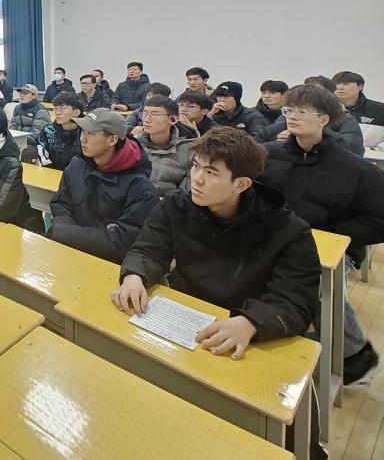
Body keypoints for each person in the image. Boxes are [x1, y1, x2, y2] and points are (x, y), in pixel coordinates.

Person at [113, 127, 319, 360]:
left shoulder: (288, 230)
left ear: (241, 184)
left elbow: (296, 300)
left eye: (211, 172)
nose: (197, 178)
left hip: (243, 327)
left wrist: (251, 322)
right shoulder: (176, 205)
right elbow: (148, 249)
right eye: (196, 166)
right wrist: (134, 276)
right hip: (185, 314)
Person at [260, 84, 384, 385]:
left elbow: (378, 220)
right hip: (274, 240)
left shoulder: (355, 168)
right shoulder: (269, 155)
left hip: (334, 248)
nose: (292, 116)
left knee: (312, 283)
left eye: (302, 111)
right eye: (289, 110)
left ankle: (353, 358)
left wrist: (328, 234)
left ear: (324, 119)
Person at [48, 108, 160, 263]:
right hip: (69, 250)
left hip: (108, 263)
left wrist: (64, 232)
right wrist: (64, 231)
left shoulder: (140, 187)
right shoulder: (76, 165)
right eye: (83, 131)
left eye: (91, 133)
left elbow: (123, 240)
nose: (83, 139)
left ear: (112, 140)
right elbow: (61, 204)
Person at [260, 76, 365, 156]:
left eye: (315, 91)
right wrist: (287, 142)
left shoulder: (345, 119)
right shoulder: (288, 116)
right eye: (305, 89)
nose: (292, 116)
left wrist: (313, 139)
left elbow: (354, 149)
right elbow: (260, 142)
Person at [135, 96, 195, 196]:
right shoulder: (134, 145)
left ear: (173, 119)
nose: (147, 119)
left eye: (155, 114)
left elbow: (187, 190)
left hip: (172, 202)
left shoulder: (191, 149)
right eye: (145, 113)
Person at [24, 92, 82, 169]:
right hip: (52, 172)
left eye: (62, 109)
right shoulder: (48, 131)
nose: (57, 113)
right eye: (55, 109)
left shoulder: (86, 132)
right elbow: (43, 156)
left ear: (76, 112)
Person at [334, 71, 384, 149]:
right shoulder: (325, 109)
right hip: (334, 152)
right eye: (336, 84)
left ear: (360, 87)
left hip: (371, 154)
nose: (340, 87)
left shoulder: (380, 109)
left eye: (346, 84)